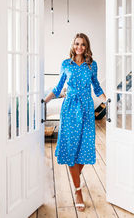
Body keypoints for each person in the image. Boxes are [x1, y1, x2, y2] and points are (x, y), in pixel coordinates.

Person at [44, 33, 106, 212]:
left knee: (86, 146)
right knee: (71, 147)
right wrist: (43, 101)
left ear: (86, 47)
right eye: (77, 44)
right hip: (70, 108)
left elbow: (97, 87)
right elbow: (57, 88)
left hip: (86, 108)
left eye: (83, 44)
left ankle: (75, 177)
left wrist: (107, 100)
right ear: (73, 45)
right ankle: (78, 190)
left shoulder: (91, 65)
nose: (80, 47)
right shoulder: (66, 64)